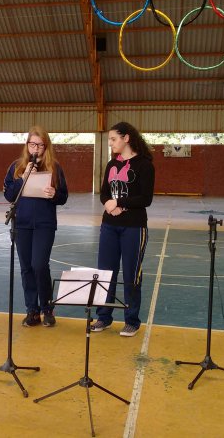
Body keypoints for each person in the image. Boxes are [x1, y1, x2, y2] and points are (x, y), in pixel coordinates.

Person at [91, 122, 155, 337]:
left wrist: (118, 202)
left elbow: (145, 199)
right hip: (109, 226)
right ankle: (103, 317)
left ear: (126, 138)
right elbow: (104, 193)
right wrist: (109, 204)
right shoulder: (111, 164)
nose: (110, 143)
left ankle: (131, 320)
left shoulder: (144, 165)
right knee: (105, 272)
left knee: (131, 274)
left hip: (134, 227)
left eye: (113, 139)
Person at [3, 126, 69, 327]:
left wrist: (54, 194)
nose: (36, 148)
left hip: (44, 224)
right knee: (26, 268)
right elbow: (9, 195)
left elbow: (63, 196)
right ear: (27, 145)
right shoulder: (16, 167)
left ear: (46, 147)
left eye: (40, 145)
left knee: (39, 265)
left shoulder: (54, 167)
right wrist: (22, 179)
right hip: (22, 224)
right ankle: (32, 310)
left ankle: (47, 308)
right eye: (32, 144)